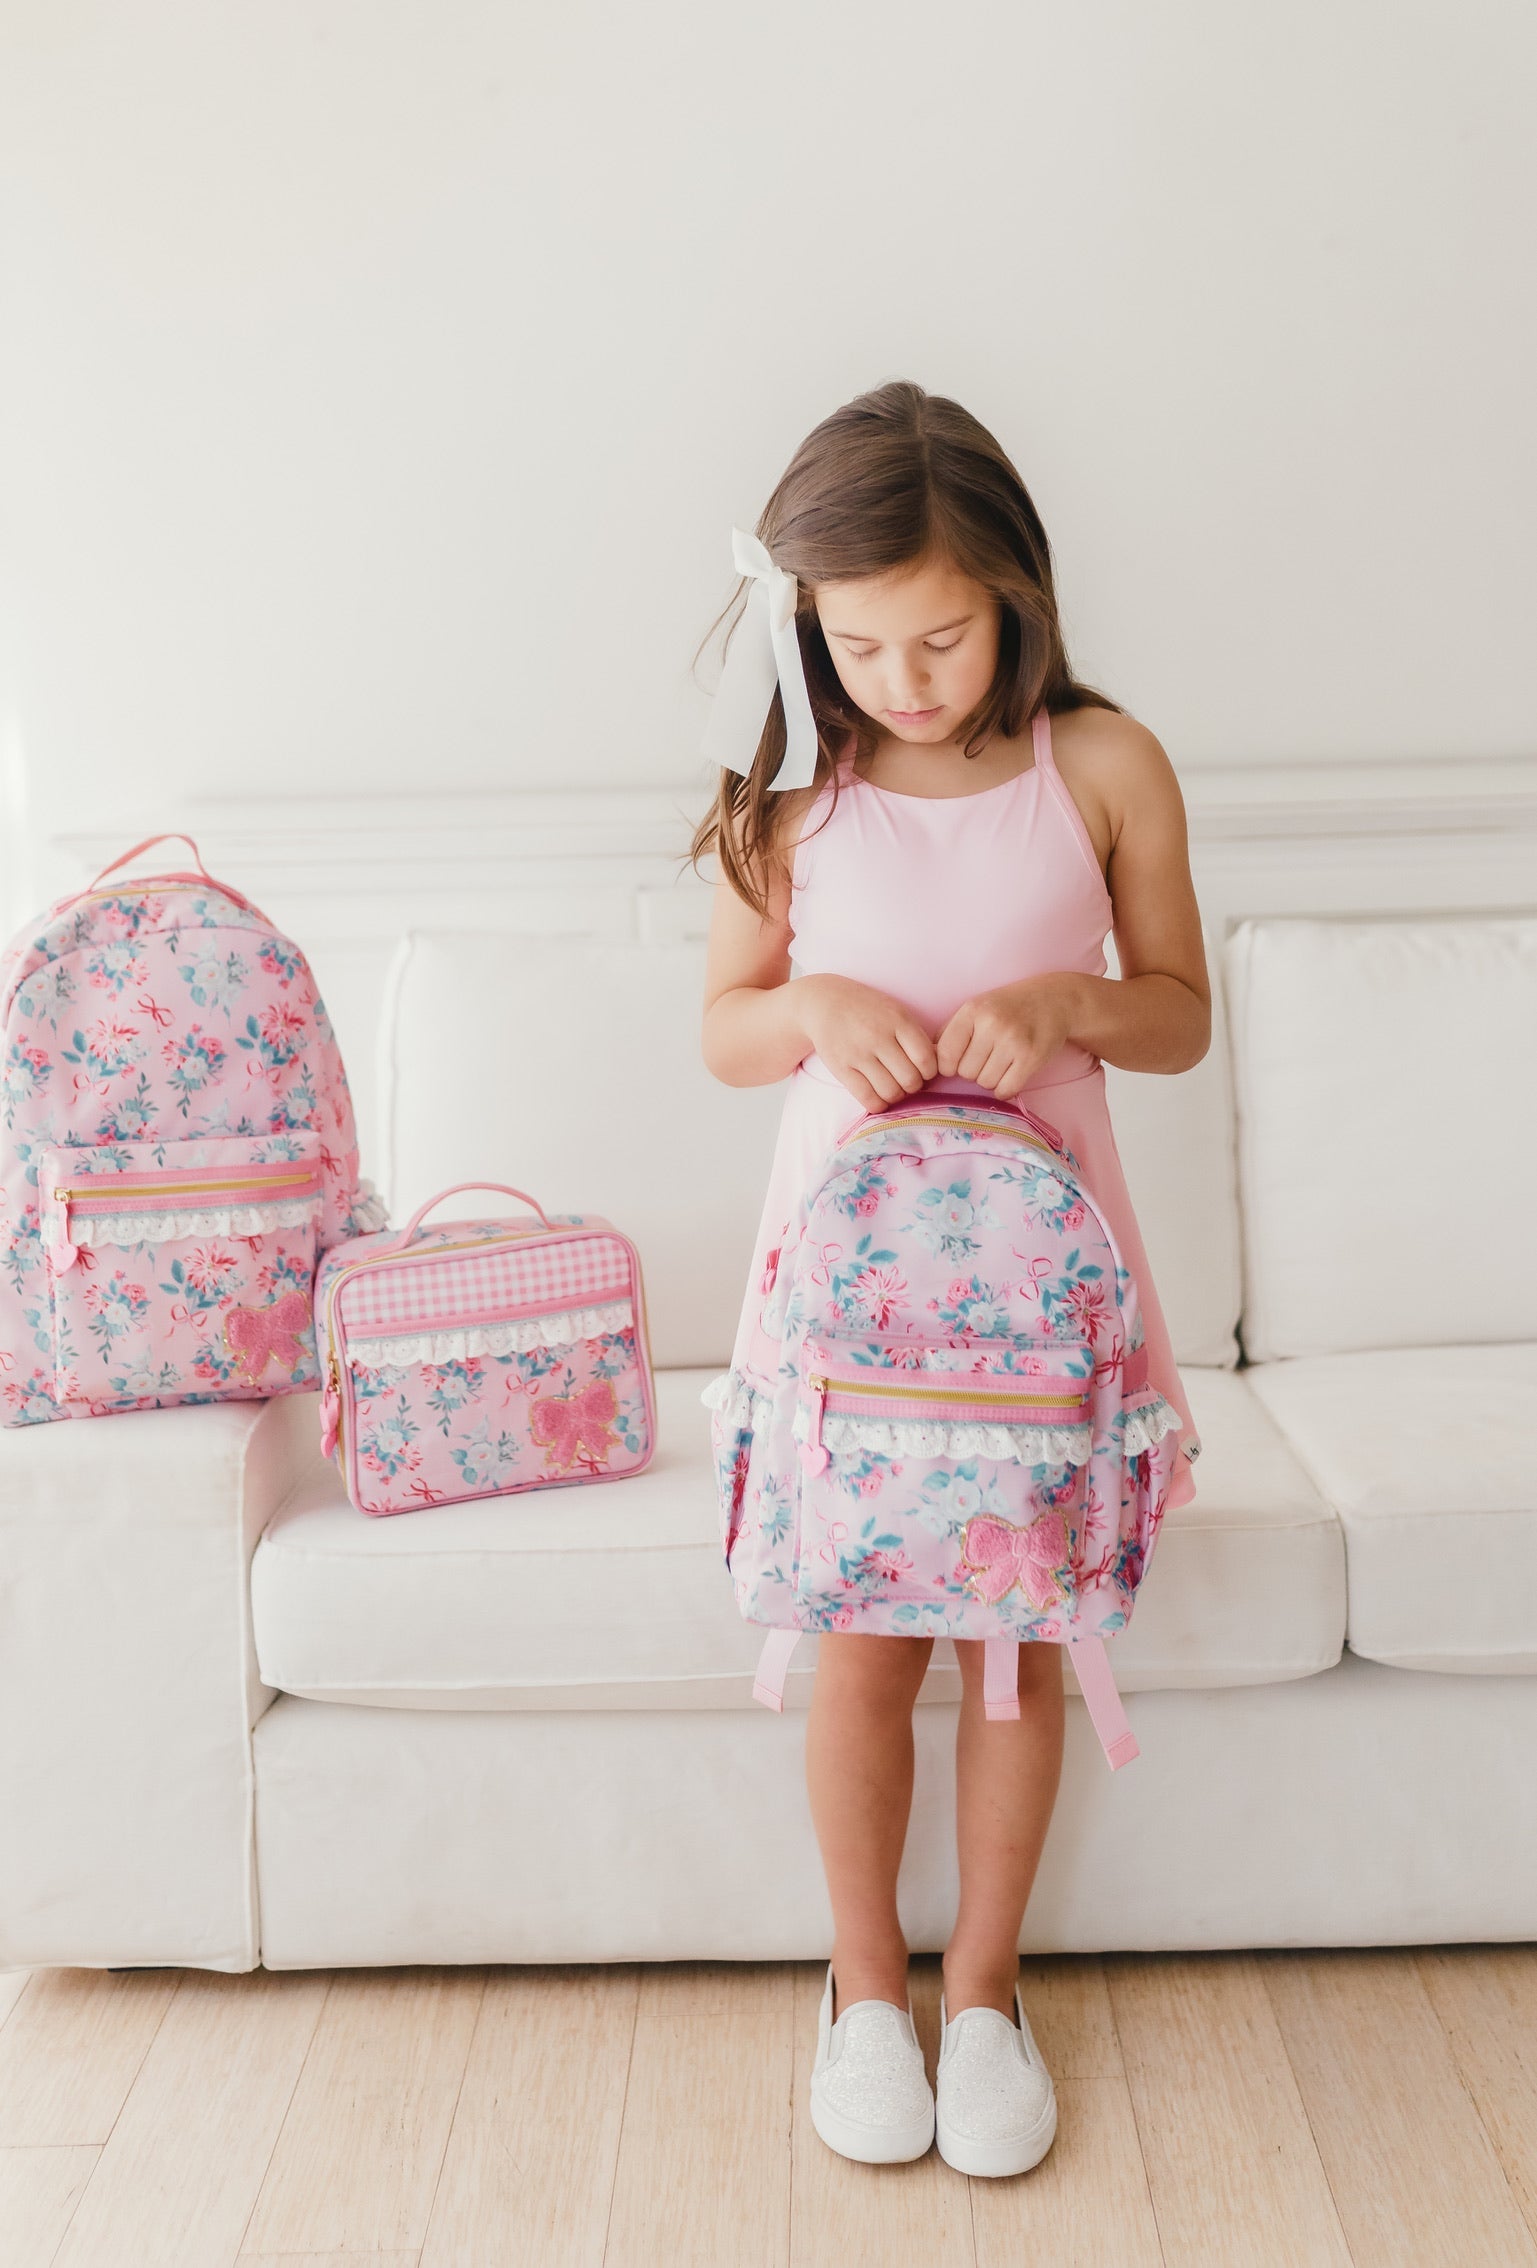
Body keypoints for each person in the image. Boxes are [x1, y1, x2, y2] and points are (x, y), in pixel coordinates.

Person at [690, 379, 1209, 2177]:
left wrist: (1069, 1005)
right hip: (848, 1305)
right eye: (859, 644)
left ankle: (981, 1995)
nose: (904, 680)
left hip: (1038, 1290)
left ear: (1016, 596)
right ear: (803, 629)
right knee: (857, 1632)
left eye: (942, 637)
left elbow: (1176, 1018)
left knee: (1015, 1633)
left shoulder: (1107, 766)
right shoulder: (792, 790)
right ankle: (861, 1992)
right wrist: (810, 1010)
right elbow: (723, 1030)